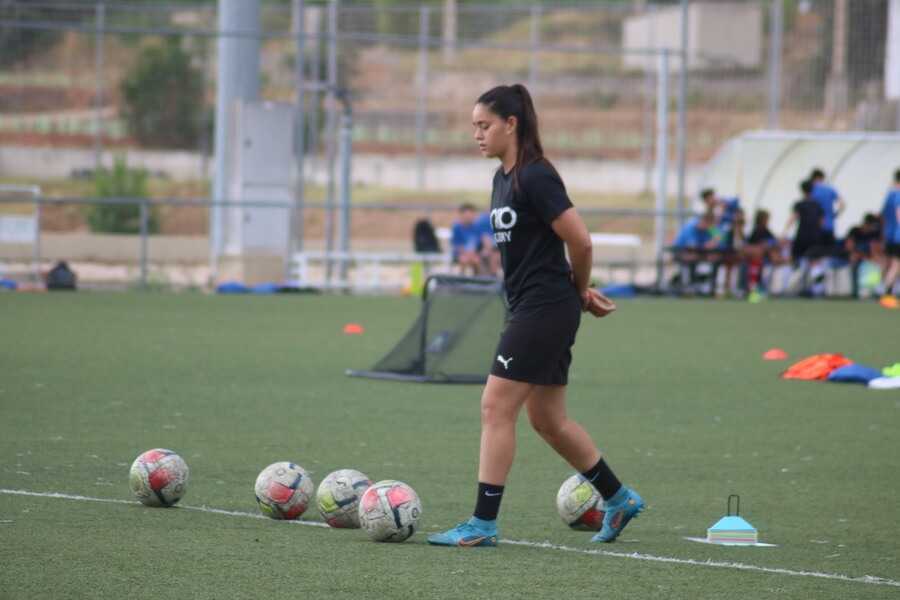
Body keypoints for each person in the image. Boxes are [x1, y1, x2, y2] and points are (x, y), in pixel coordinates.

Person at [427, 84, 643, 548]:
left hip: (544, 308)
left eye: (484, 126)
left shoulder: (536, 176)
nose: (477, 135)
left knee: (494, 407)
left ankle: (482, 525)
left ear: (512, 125)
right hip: (535, 306)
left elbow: (581, 241)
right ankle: (619, 497)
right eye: (474, 128)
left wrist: (579, 290)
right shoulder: (501, 178)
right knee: (547, 420)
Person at [782, 180, 826, 295]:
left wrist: (784, 234)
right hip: (815, 237)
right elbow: (822, 223)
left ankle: (785, 288)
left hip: (801, 236)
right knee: (815, 262)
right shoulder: (817, 205)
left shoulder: (799, 204)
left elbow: (793, 218)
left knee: (793, 260)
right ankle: (817, 291)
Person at [671, 211, 721, 294]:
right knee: (692, 257)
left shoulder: (708, 229)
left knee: (715, 258)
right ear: (705, 222)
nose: (713, 228)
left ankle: (711, 287)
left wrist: (716, 239)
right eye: (711, 225)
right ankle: (690, 286)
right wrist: (708, 246)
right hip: (680, 252)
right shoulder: (690, 227)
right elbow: (692, 247)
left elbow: (715, 242)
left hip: (697, 252)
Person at [878, 169, 900, 308]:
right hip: (898, 235)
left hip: (889, 235)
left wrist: (883, 234)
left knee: (888, 263)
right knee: (896, 264)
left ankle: (886, 289)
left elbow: (883, 217)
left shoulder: (889, 195)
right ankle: (886, 293)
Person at [808, 168, 846, 248]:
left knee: (816, 253)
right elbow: (842, 204)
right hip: (829, 225)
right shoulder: (830, 189)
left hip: (815, 227)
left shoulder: (811, 190)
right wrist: (834, 215)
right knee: (829, 251)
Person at [450, 203, 487, 275]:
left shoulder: (477, 226)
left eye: (471, 214)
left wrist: (483, 251)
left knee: (477, 261)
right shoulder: (456, 227)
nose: (469, 217)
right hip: (461, 254)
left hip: (474, 254)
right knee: (464, 261)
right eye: (467, 214)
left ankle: (476, 280)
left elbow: (484, 241)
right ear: (461, 215)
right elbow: (456, 245)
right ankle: (461, 280)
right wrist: (466, 253)